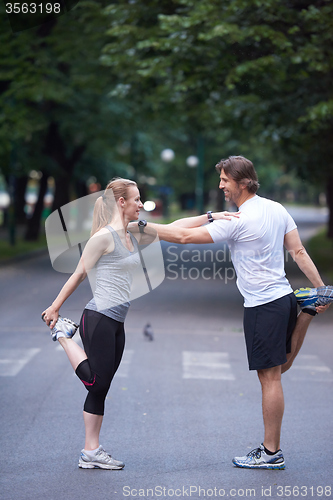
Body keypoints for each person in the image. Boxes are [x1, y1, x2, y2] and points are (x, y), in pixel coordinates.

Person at [141, 155, 333, 470]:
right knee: (277, 370)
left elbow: (185, 237)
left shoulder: (239, 221)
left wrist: (142, 228)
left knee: (270, 377)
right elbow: (297, 251)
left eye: (225, 181)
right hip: (283, 298)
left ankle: (271, 453)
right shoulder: (275, 208)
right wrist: (321, 287)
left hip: (262, 305)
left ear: (242, 182)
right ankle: (307, 310)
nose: (221, 186)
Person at [42, 178, 145, 470]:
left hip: (117, 322)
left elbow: (178, 228)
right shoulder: (103, 237)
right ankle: (64, 335)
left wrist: (212, 217)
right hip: (99, 317)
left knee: (101, 388)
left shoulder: (131, 232)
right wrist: (54, 307)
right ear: (121, 203)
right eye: (136, 199)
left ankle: (91, 452)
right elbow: (78, 274)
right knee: (96, 381)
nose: (141, 204)